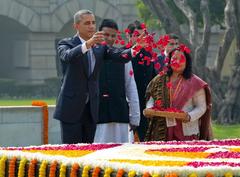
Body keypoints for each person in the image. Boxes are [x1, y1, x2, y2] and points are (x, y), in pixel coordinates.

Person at [53, 10, 145, 144]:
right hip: (71, 108)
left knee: (89, 152)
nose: (91, 26)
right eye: (87, 23)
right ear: (76, 26)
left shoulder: (100, 47)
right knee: (71, 151)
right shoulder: (66, 43)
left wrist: (135, 48)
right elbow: (68, 56)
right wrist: (88, 44)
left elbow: (119, 55)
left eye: (93, 23)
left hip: (92, 109)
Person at [144, 47, 213, 141]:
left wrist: (189, 116)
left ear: (187, 62)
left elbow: (201, 107)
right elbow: (152, 98)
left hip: (186, 130)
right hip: (161, 129)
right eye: (174, 59)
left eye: (181, 59)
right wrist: (150, 109)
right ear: (169, 61)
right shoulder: (159, 79)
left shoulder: (195, 82)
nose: (177, 61)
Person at [94, 19, 140, 143]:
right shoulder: (90, 54)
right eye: (106, 35)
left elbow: (130, 86)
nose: (109, 38)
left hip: (120, 116)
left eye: (113, 35)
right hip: (97, 116)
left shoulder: (123, 56)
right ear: (98, 34)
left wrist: (135, 117)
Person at [126, 20, 156, 141]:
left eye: (144, 36)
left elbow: (153, 79)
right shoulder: (122, 54)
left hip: (145, 106)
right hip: (128, 105)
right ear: (129, 36)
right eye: (137, 35)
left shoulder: (148, 55)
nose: (142, 39)